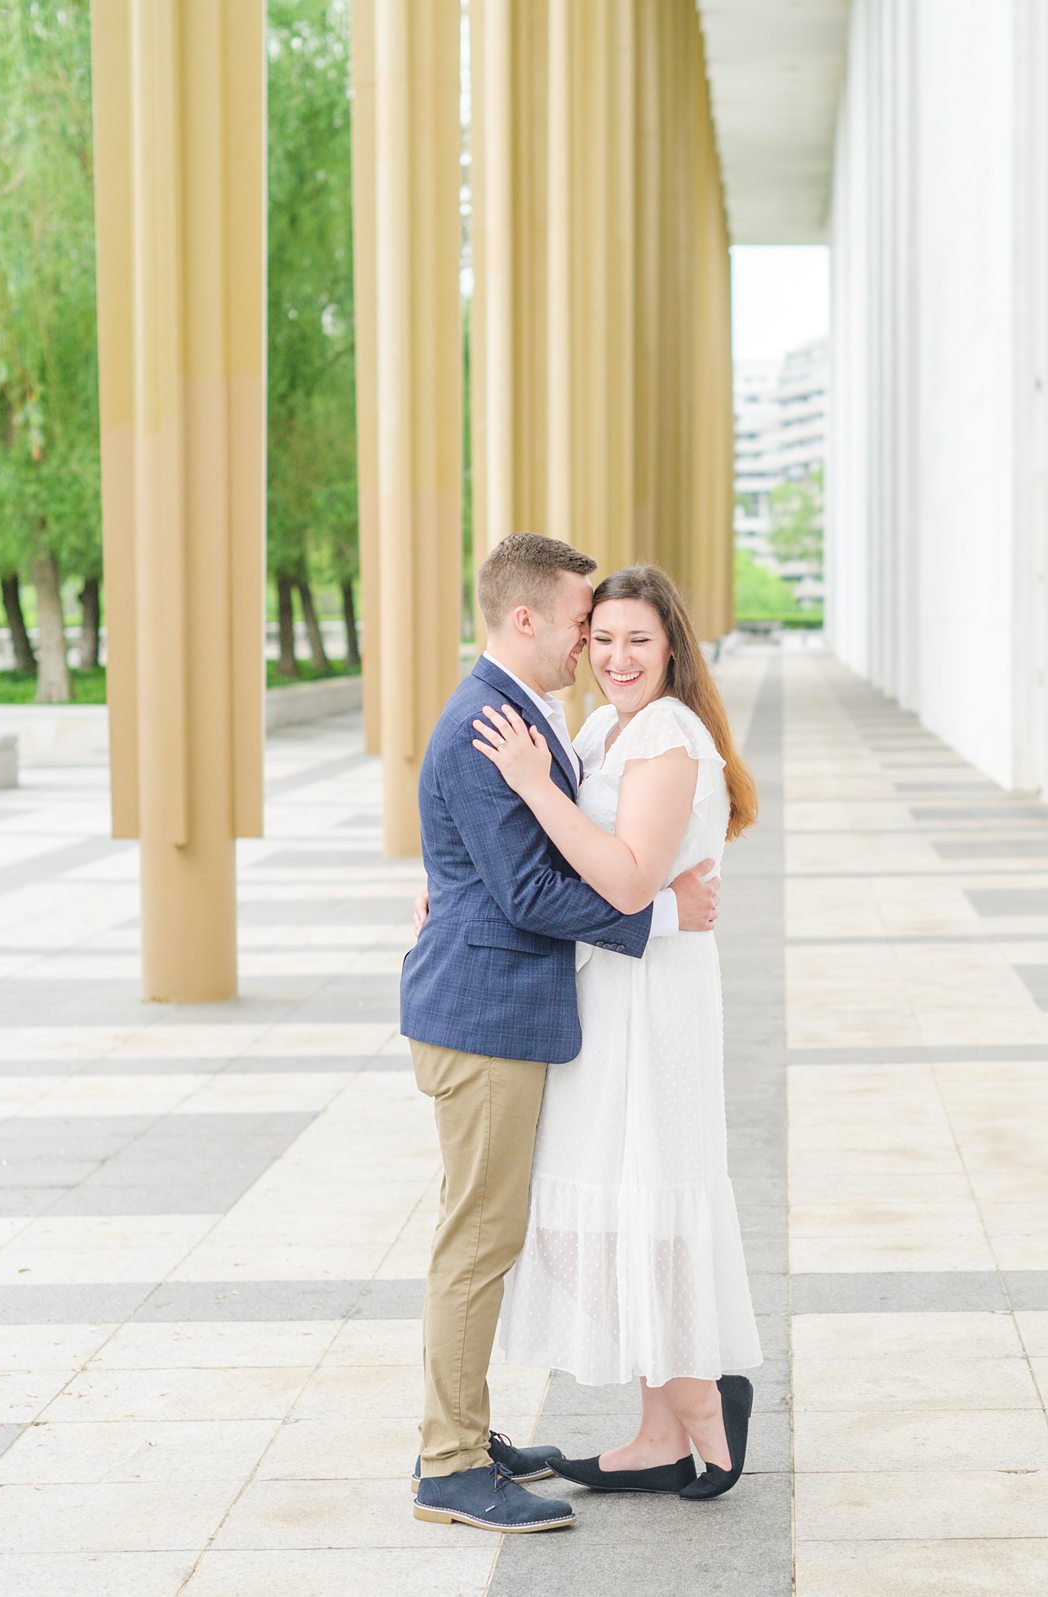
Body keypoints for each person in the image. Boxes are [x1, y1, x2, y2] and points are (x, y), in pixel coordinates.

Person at [400, 534, 720, 1535]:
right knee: (480, 1238)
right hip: (486, 1016)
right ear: (527, 617)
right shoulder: (487, 722)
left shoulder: (532, 715)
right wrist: (663, 915)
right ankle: (449, 1464)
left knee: (491, 1231)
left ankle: (469, 1435)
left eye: (620, 631)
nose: (594, 644)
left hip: (501, 1010)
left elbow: (497, 863)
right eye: (585, 622)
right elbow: (532, 887)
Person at [463, 561, 763, 1502]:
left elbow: (629, 880)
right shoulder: (603, 727)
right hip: (605, 988)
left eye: (638, 638)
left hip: (651, 1002)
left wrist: (531, 782)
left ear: (672, 643)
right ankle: (657, 1428)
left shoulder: (669, 733)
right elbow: (579, 873)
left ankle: (703, 1400)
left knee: (632, 1205)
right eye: (602, 637)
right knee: (592, 1218)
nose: (617, 655)